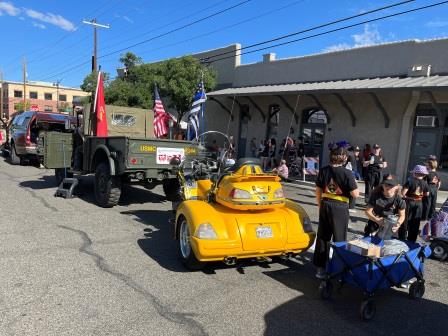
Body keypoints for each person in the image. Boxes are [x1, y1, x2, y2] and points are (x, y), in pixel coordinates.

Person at [314, 145, 359, 279]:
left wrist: (320, 205)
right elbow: (355, 194)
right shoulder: (347, 173)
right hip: (340, 206)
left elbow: (318, 190)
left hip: (325, 203)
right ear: (344, 158)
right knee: (339, 238)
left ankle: (320, 269)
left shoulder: (323, 170)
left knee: (323, 237)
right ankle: (338, 268)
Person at [401, 165, 430, 242]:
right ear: (423, 175)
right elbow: (427, 194)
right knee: (415, 222)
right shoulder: (425, 183)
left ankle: (402, 236)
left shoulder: (410, 181)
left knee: (405, 219)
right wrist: (419, 196)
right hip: (419, 203)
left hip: (409, 202)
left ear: (415, 173)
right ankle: (412, 239)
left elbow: (403, 193)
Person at [423, 155, 441, 221]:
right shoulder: (437, 173)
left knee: (427, 203)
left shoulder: (427, 174)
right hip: (435, 189)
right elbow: (439, 183)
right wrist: (437, 188)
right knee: (433, 203)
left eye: (427, 165)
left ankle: (425, 217)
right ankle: (431, 216)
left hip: (429, 188)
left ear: (429, 166)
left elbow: (424, 183)